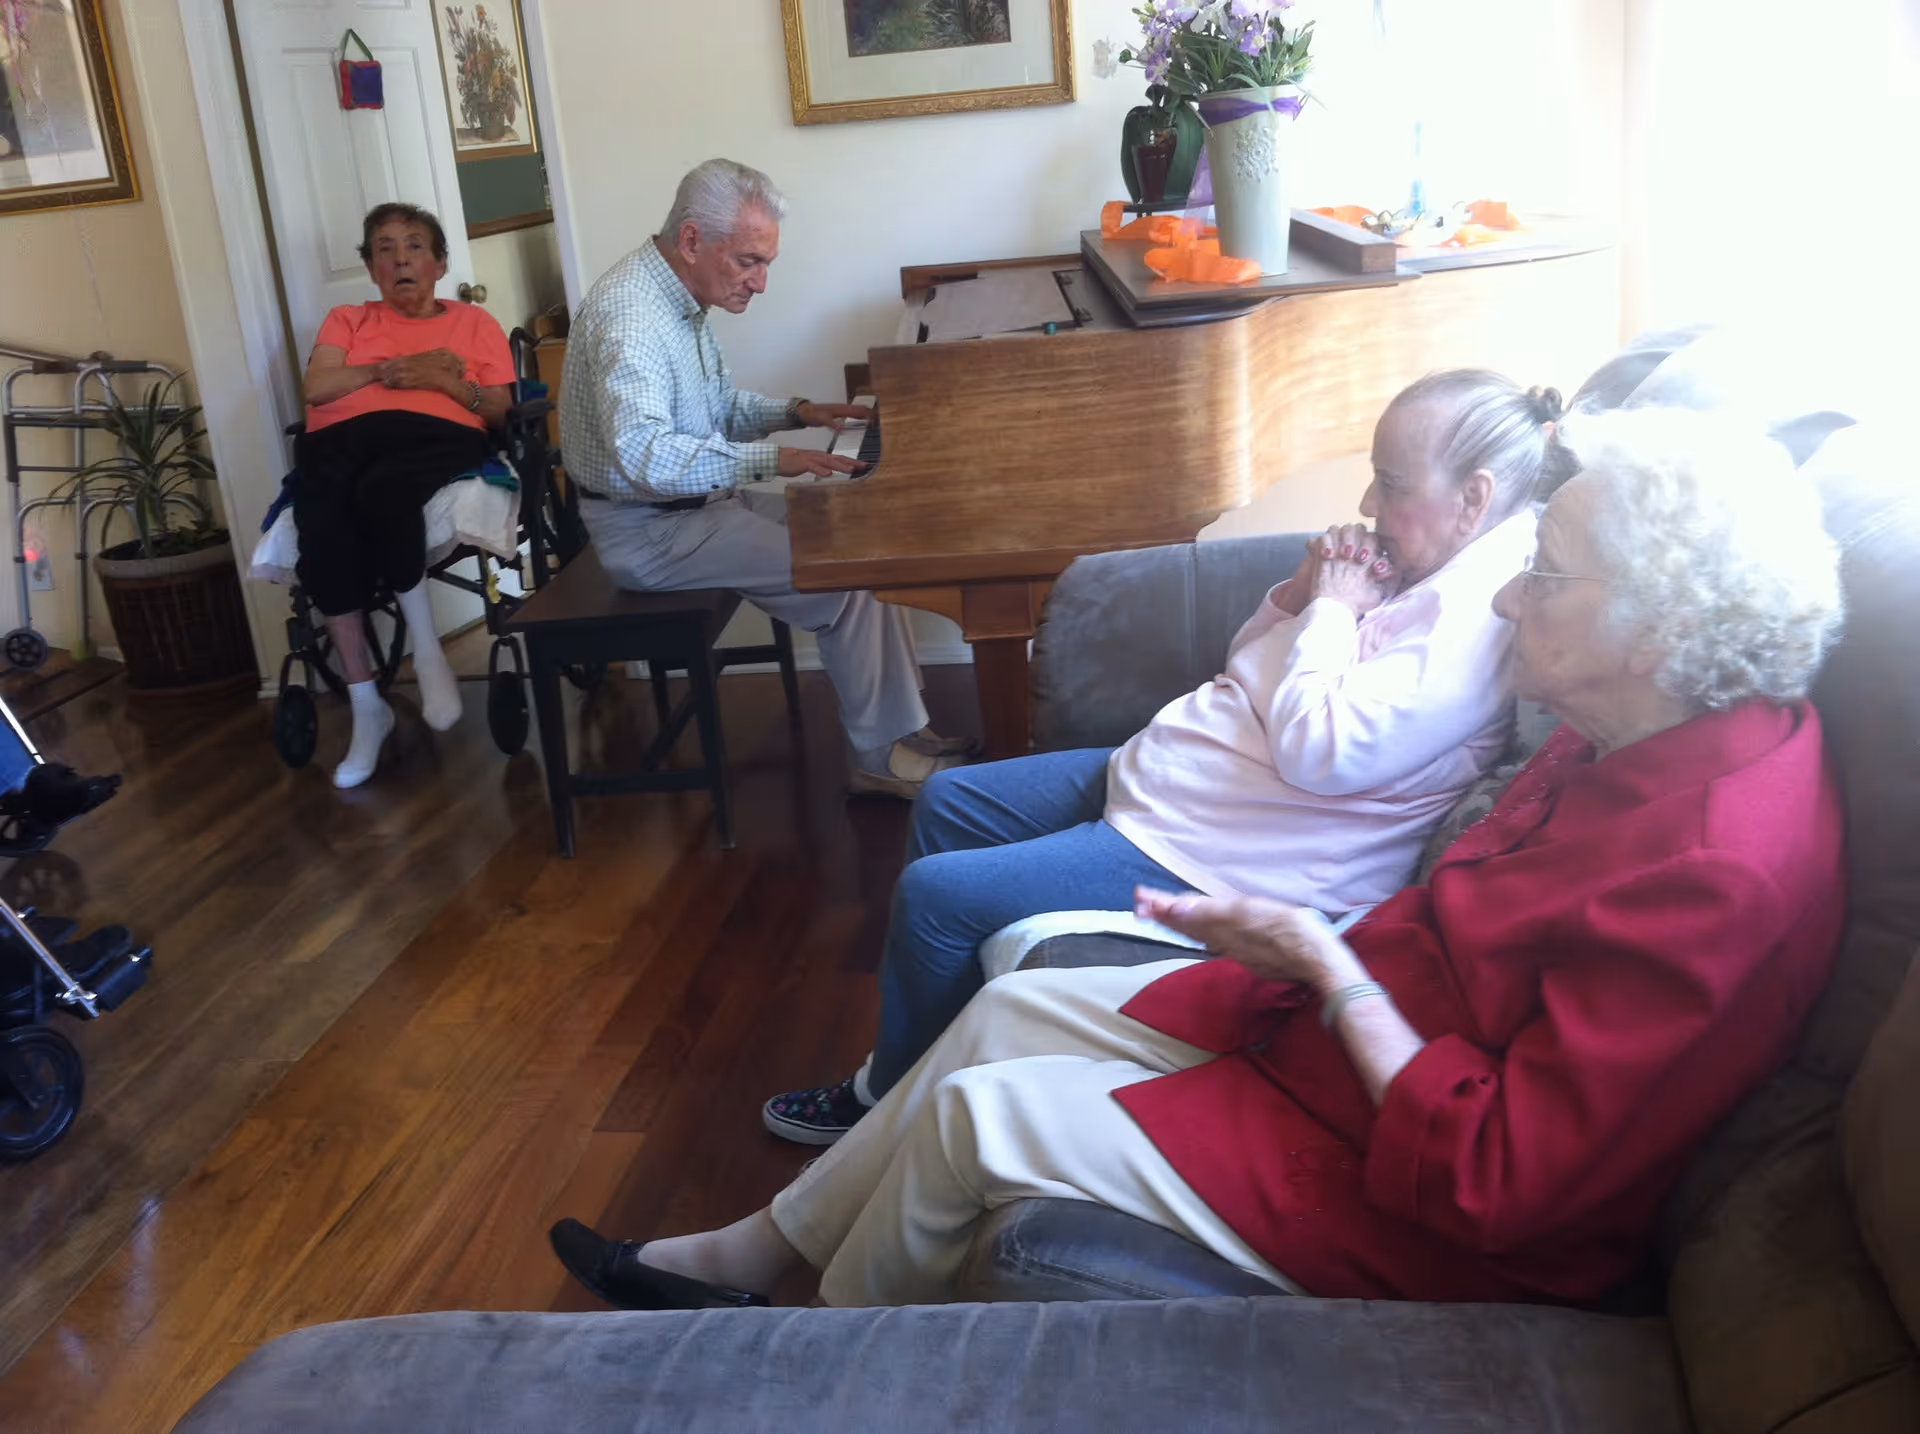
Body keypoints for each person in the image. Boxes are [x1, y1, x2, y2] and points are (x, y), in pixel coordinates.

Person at [548, 406, 1846, 1312]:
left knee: (974, 1112)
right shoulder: (1630, 723)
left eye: (1545, 576)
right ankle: (733, 1255)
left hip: (1422, 1188)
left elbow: (1510, 1178)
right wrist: (1327, 975)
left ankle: (827, 1362)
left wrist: (1332, 972)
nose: (1510, 598)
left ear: (1658, 624)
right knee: (1007, 1001)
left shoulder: (1717, 861)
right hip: (1343, 1035)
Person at [761, 370, 1566, 1144]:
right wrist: (1298, 594)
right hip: (1191, 786)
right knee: (951, 801)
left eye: (1390, 482)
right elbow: (1249, 660)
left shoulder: (1472, 625)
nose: (1367, 504)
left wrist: (1330, 613)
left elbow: (1323, 752)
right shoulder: (1431, 562)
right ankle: (941, 1039)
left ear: (1476, 499)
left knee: (937, 896)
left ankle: (884, 1100)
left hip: (1234, 849)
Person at [560, 158, 968, 800]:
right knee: (843, 580)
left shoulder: (676, 298)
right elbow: (646, 456)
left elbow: (716, 405)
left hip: (694, 507)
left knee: (859, 543)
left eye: (766, 262)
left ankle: (903, 734)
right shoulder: (630, 318)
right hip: (649, 532)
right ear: (693, 240)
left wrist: (797, 413)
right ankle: (878, 758)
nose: (762, 281)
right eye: (750, 260)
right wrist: (775, 460)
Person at [295, 202, 517, 789]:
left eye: (415, 246)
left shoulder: (474, 324)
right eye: (385, 249)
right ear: (370, 268)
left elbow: (499, 410)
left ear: (440, 263)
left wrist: (446, 381)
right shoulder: (347, 319)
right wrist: (386, 369)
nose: (400, 259)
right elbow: (317, 388)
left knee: (385, 489)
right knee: (320, 526)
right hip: (338, 441)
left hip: (435, 437)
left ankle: (428, 649)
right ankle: (368, 705)